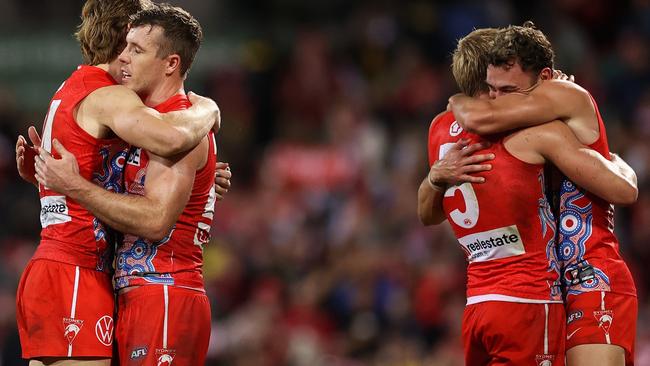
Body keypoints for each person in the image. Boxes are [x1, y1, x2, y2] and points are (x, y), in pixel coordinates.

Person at [13, 0, 220, 365]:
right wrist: (208, 109)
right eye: (130, 44)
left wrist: (201, 177)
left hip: (91, 275)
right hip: (77, 273)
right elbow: (173, 140)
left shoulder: (75, 86)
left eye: (137, 49)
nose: (128, 55)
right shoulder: (110, 97)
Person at [418, 27, 638, 366]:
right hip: (545, 287)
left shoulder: (562, 98)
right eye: (491, 89)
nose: (497, 99)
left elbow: (625, 191)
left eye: (508, 90)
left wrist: (459, 101)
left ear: (544, 81)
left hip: (591, 274)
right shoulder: (519, 126)